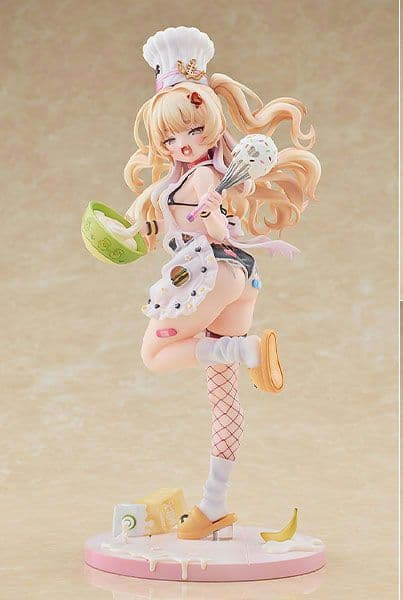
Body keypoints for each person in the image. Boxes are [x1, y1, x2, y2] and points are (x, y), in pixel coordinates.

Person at [124, 26, 321, 540]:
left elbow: (214, 231)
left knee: (155, 355)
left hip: (211, 274)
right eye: (170, 138)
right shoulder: (185, 177)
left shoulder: (204, 177)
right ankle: (213, 505)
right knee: (223, 399)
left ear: (210, 124)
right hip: (238, 279)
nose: (182, 145)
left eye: (192, 132)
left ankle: (247, 350)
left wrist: (212, 214)